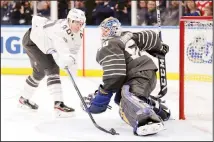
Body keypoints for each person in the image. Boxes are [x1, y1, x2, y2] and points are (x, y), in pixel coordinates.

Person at [81, 17, 170, 136]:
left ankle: (147, 119)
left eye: (105, 30)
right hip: (147, 73)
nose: (102, 33)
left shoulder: (109, 44)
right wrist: (159, 46)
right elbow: (150, 36)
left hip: (137, 74)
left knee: (129, 98)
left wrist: (103, 93)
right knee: (121, 99)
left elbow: (115, 74)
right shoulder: (128, 36)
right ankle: (160, 110)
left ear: (112, 31)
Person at [18, 8, 86, 117]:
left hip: (45, 42)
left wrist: (72, 69)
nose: (79, 26)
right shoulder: (59, 30)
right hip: (33, 41)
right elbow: (62, 52)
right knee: (52, 68)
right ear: (70, 20)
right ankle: (58, 105)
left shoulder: (79, 32)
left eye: (81, 23)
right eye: (77, 23)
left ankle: (23, 99)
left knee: (39, 73)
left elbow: (73, 52)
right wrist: (64, 59)